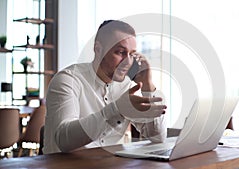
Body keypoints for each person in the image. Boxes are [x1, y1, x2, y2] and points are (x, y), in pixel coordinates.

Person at [43, 20, 167, 154]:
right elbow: (63, 140)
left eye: (131, 54)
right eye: (120, 52)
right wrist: (115, 110)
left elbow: (157, 137)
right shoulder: (68, 80)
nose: (128, 62)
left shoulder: (127, 87)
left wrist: (148, 86)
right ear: (98, 49)